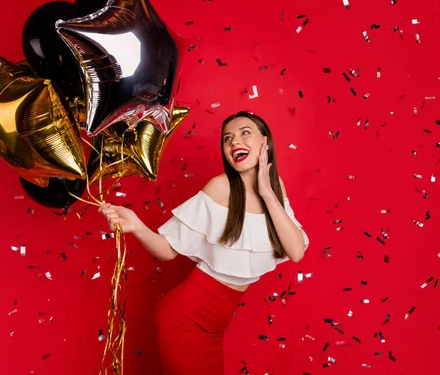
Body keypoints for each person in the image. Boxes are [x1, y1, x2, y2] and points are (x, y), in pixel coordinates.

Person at [99, 111, 309, 375]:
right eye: (227, 138)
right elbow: (167, 250)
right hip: (185, 320)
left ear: (265, 142)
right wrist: (137, 226)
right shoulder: (220, 188)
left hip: (215, 327)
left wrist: (267, 192)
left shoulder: (275, 187)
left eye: (245, 133)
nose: (234, 142)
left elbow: (296, 251)